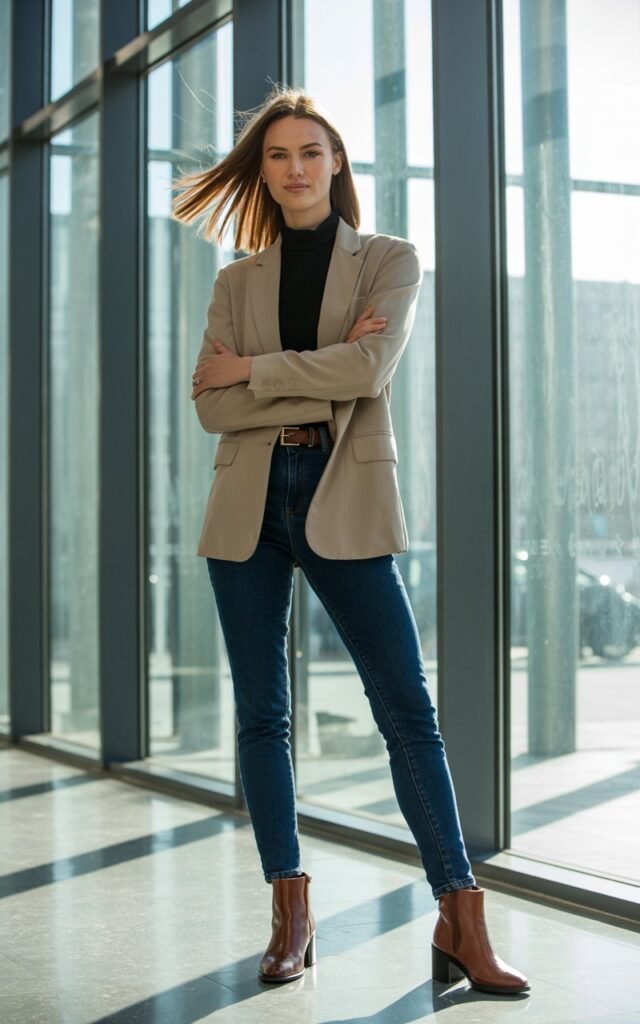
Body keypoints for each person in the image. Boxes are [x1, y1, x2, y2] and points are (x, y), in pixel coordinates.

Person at [171, 84, 529, 996]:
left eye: (312, 153)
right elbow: (211, 409)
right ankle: (291, 914)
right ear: (265, 170)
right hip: (246, 503)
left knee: (406, 709)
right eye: (279, 155)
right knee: (263, 714)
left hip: (344, 492)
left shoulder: (389, 261)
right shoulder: (234, 280)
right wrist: (314, 381)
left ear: (337, 165)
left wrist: (255, 369)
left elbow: (369, 369)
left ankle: (460, 913)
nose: (295, 168)